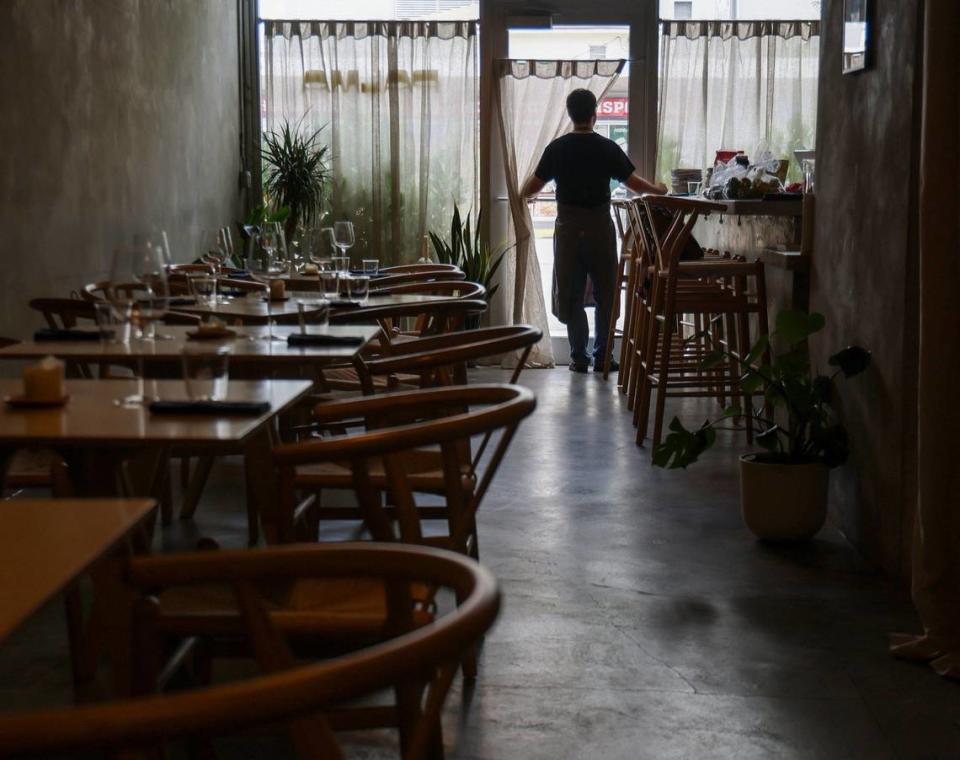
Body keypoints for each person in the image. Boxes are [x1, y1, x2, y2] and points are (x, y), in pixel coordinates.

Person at [521, 88, 666, 373]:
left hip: (568, 227)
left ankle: (578, 357)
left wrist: (524, 191)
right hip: (599, 225)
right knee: (606, 292)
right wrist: (657, 189)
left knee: (571, 292)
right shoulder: (606, 147)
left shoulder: (557, 148)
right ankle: (603, 356)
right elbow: (633, 183)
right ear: (594, 114)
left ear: (570, 114)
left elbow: (530, 189)